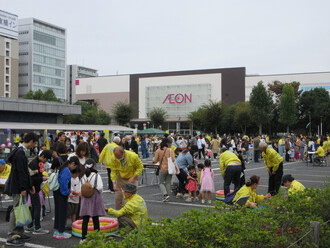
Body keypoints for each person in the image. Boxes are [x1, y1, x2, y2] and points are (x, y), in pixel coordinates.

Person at [5, 132, 38, 246]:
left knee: (20, 208)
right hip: (18, 187)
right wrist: (23, 188)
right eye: (34, 144)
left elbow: (24, 172)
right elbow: (21, 172)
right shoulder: (20, 153)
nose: (34, 146)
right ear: (30, 142)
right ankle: (11, 236)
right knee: (16, 210)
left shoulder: (20, 151)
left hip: (20, 186)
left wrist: (29, 186)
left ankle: (19, 232)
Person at [25, 150, 52, 234]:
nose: (46, 162)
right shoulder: (34, 163)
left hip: (35, 188)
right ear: (43, 156)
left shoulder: (38, 162)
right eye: (46, 160)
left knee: (34, 207)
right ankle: (37, 227)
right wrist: (42, 178)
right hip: (33, 188)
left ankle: (29, 226)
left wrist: (42, 177)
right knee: (37, 207)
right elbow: (31, 178)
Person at [53, 156, 80, 239]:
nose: (74, 168)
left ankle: (57, 230)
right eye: (74, 166)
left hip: (57, 192)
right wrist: (68, 193)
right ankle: (61, 232)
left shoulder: (62, 167)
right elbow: (64, 183)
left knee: (58, 211)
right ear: (72, 164)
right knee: (62, 212)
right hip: (62, 194)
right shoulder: (66, 170)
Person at [79, 158, 105, 243]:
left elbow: (80, 188)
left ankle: (83, 238)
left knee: (85, 219)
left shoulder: (82, 176)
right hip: (95, 197)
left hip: (85, 198)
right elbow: (100, 188)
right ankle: (97, 237)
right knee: (95, 218)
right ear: (94, 166)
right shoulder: (97, 175)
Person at [153, 138, 178, 202]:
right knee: (168, 182)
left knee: (161, 182)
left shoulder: (158, 151)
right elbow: (173, 159)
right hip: (169, 168)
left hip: (162, 168)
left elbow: (155, 160)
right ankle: (168, 195)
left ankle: (165, 194)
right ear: (167, 143)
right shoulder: (170, 150)